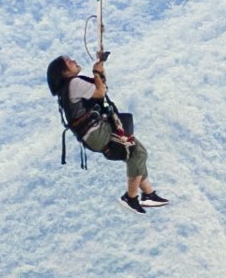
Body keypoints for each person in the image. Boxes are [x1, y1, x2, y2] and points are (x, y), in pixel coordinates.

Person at [45, 50, 166, 211]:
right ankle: (130, 197)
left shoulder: (69, 88)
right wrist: (96, 71)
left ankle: (148, 194)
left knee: (138, 152)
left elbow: (101, 89)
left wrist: (99, 69)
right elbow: (100, 92)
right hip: (96, 132)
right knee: (136, 153)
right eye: (69, 62)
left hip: (92, 135)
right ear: (64, 71)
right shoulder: (73, 83)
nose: (74, 61)